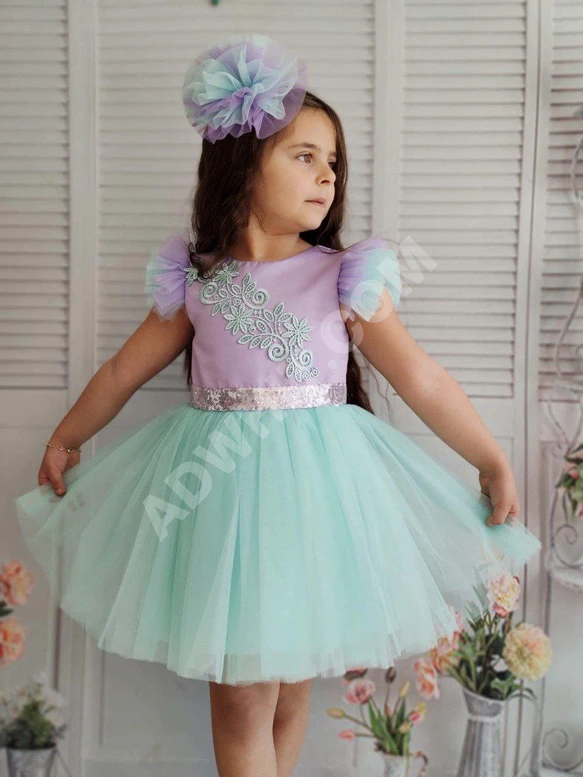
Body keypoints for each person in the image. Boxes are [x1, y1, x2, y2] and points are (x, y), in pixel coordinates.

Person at [14, 33, 541, 777]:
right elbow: (121, 370)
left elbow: (420, 377)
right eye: (304, 155)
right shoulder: (197, 280)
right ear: (242, 164)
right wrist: (67, 435)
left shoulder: (343, 276)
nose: (327, 174)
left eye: (334, 162)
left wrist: (488, 457)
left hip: (319, 504)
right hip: (220, 501)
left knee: (291, 684)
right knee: (242, 694)